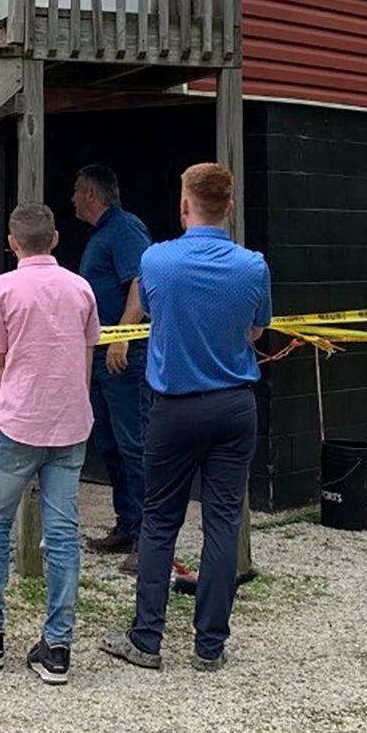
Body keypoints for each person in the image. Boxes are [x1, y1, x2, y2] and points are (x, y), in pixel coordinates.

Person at [102, 163, 270, 673]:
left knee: (160, 520)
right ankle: (209, 645)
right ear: (230, 207)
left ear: (184, 205)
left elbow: (150, 309)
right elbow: (258, 330)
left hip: (174, 407)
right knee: (222, 522)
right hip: (234, 404)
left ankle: (147, 639)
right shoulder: (253, 266)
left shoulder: (158, 261)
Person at [0, 203, 98, 685]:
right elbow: (86, 357)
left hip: (16, 422)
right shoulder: (81, 289)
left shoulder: (1, 289)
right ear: (55, 239)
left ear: (12, 244)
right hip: (70, 423)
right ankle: (57, 645)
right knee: (62, 532)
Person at [70, 165, 153, 565]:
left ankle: (148, 540)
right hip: (101, 354)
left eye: (75, 192)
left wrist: (123, 335)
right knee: (111, 443)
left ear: (90, 193)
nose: (71, 199)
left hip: (124, 354)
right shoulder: (103, 235)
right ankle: (127, 525)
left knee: (134, 441)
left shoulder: (124, 230)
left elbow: (141, 281)